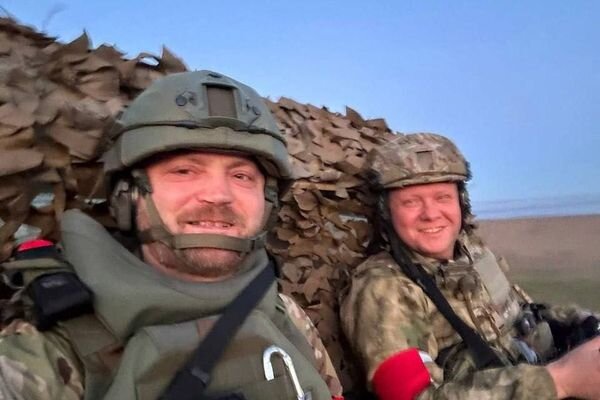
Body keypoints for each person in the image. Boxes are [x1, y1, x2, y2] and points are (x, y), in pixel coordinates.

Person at [0, 70, 343, 400]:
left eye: (241, 176)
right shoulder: (43, 352)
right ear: (128, 195)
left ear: (267, 201)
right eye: (184, 171)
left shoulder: (285, 313)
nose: (218, 195)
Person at [340, 133, 600, 400]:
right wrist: (559, 380)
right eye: (411, 202)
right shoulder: (383, 290)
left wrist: (584, 323)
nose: (430, 214)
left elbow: (523, 314)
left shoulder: (474, 255)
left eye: (442, 197)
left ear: (461, 202)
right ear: (386, 213)